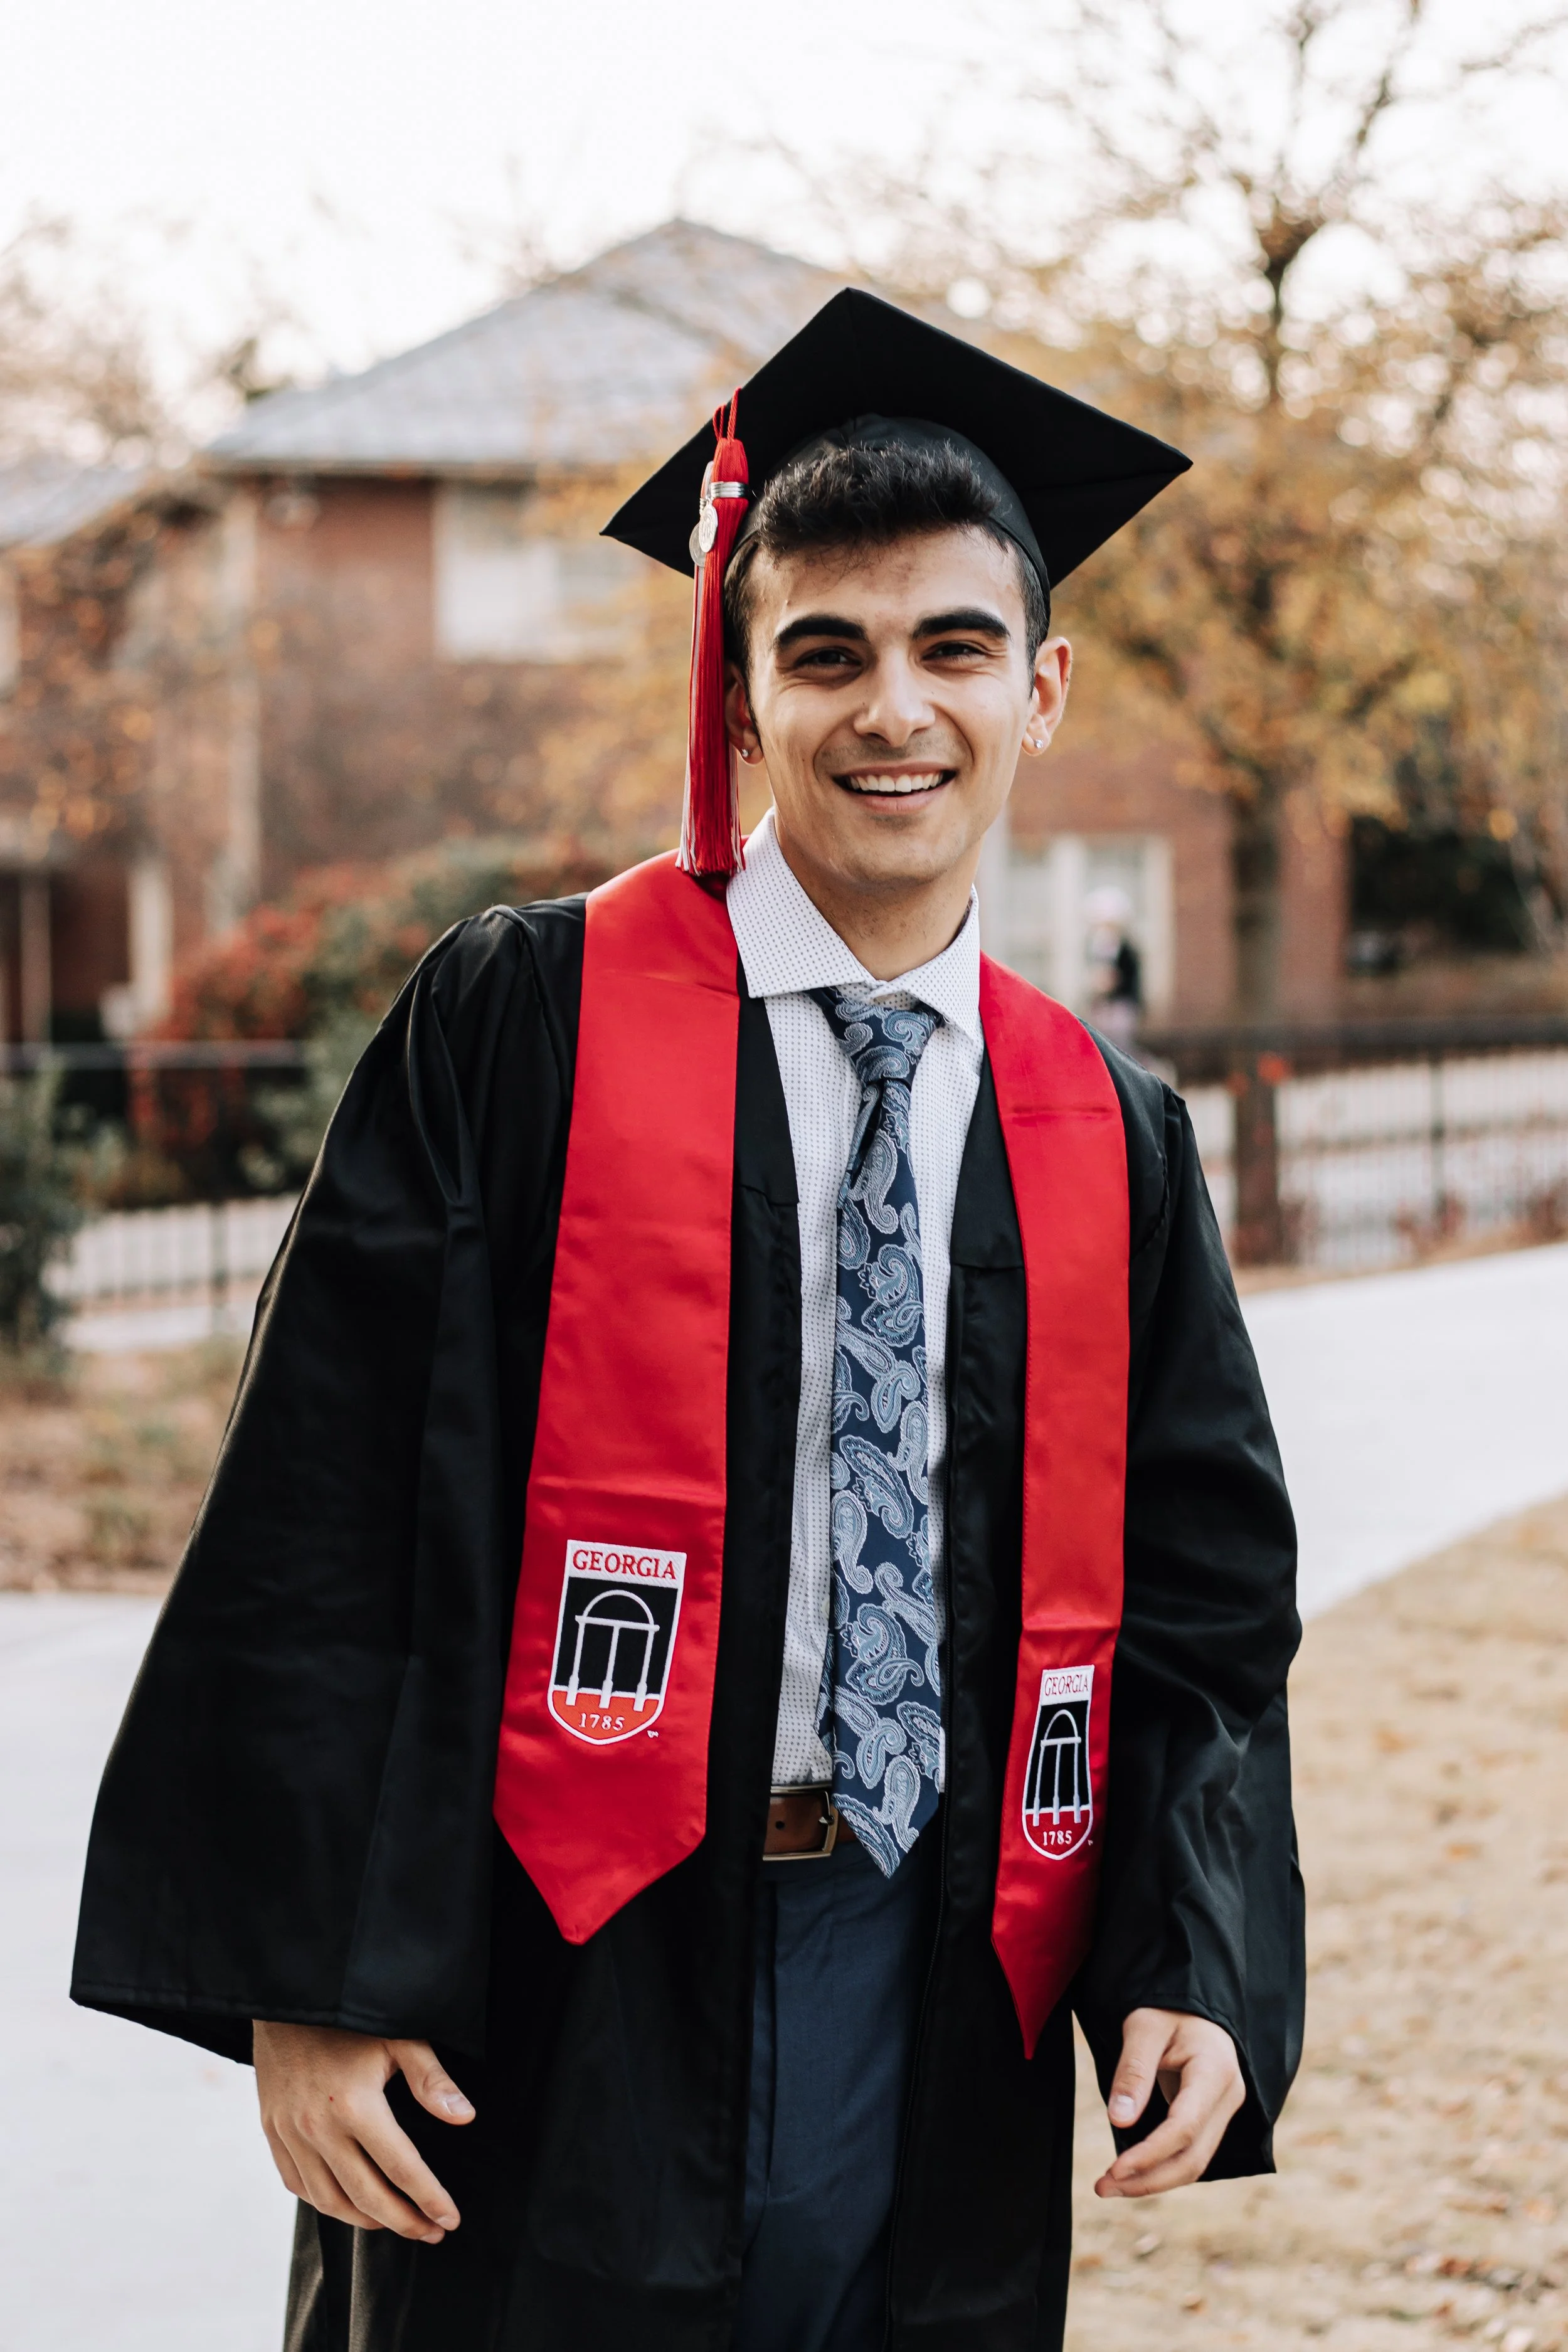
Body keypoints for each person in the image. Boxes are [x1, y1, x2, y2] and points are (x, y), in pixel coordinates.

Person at [73, 289, 1302, 2352]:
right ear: (737, 698)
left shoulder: (1107, 1125)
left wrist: (1192, 1943)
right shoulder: (521, 1018)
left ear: (1042, 690)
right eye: (819, 652)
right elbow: (318, 1500)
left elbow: (1199, 1596)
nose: (887, 708)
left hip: (944, 1970)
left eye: (950, 649)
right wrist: (311, 1978)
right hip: (556, 1955)